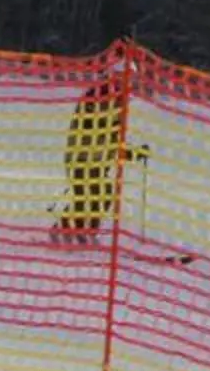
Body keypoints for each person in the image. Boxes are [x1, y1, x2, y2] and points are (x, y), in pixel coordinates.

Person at [52, 74, 145, 245]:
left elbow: (113, 142)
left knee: (102, 196)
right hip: (81, 159)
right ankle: (66, 230)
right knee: (87, 196)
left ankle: (86, 232)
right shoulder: (93, 103)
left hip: (98, 163)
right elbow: (96, 130)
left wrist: (133, 153)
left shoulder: (114, 111)